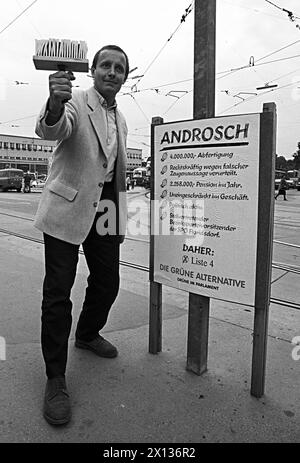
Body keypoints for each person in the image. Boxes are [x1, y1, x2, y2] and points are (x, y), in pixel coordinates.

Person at [34, 44, 130, 425]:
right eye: (105, 65)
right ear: (92, 70)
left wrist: (120, 217)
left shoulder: (121, 120)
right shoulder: (73, 99)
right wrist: (54, 103)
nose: (111, 72)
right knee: (58, 292)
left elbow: (116, 172)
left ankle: (88, 333)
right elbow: (52, 129)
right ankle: (55, 378)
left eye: (119, 68)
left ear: (125, 76)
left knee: (108, 281)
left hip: (105, 206)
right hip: (68, 204)